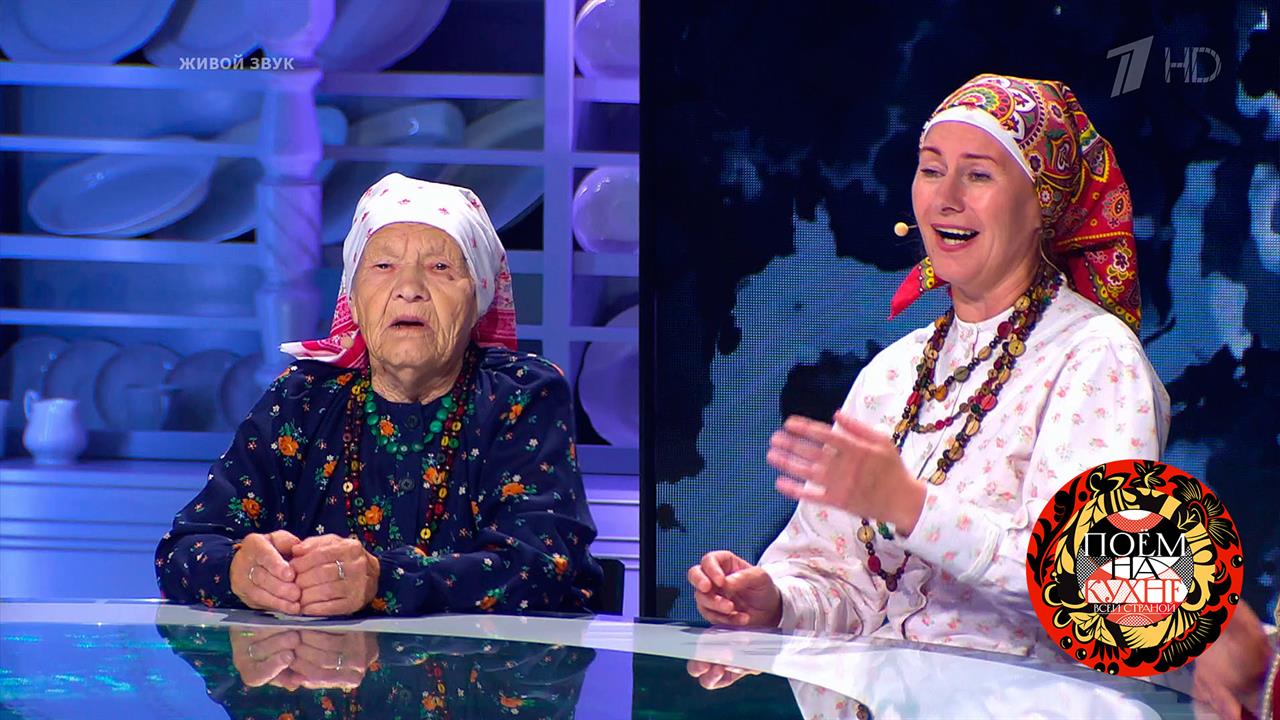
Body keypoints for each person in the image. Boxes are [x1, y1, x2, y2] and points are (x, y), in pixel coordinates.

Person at [689, 73, 1168, 650]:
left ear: (1041, 202)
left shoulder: (1095, 357)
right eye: (932, 170)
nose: (946, 198)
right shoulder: (895, 372)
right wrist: (777, 601)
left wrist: (913, 509)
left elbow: (1105, 593)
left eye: (979, 174)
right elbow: (848, 585)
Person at [157, 173, 602, 616]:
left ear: (479, 297)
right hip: (315, 660)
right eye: (383, 266)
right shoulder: (302, 399)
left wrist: (380, 579)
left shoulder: (520, 395)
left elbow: (541, 566)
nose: (409, 289)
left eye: (440, 268)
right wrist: (239, 571)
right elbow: (183, 548)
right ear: (354, 297)